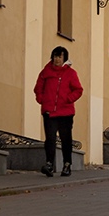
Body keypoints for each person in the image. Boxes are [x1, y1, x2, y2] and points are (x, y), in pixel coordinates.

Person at [34, 46, 83, 177]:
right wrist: (42, 100)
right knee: (50, 139)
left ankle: (67, 165)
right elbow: (38, 88)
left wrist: (68, 99)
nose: (57, 59)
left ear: (64, 58)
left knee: (65, 139)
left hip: (65, 113)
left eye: (59, 57)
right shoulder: (45, 72)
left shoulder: (71, 73)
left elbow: (78, 90)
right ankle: (49, 164)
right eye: (55, 56)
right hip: (49, 111)